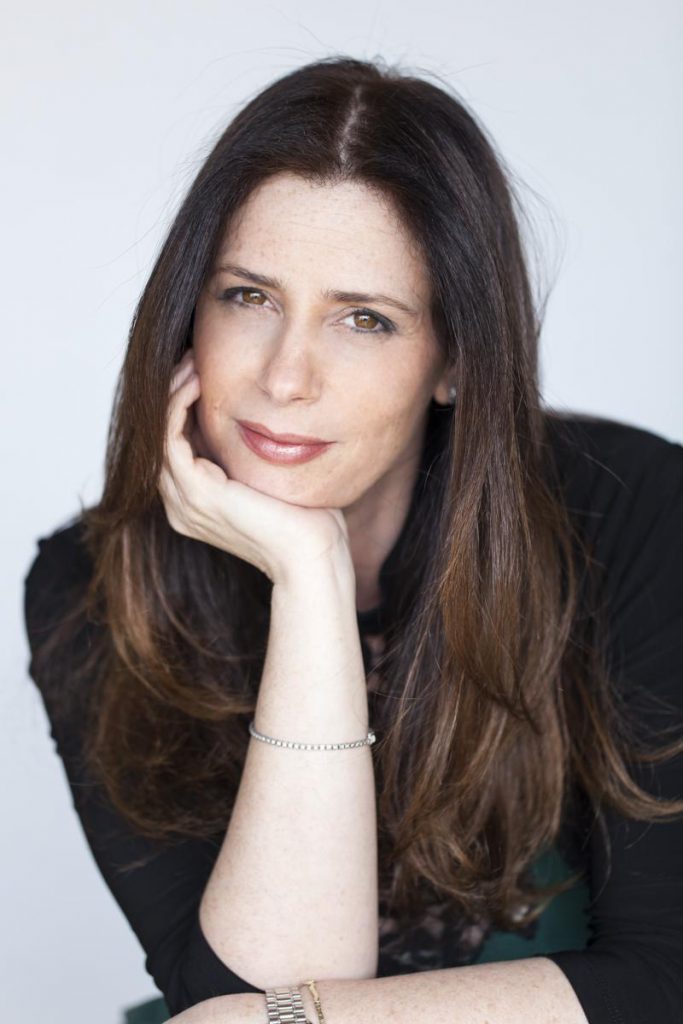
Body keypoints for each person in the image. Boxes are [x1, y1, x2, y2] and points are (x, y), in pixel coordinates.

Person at [23, 55, 683, 1024]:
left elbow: (663, 979)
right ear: (186, 316)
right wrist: (309, 574)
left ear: (454, 361)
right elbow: (246, 992)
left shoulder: (632, 509)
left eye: (364, 319)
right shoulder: (91, 585)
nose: (285, 377)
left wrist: (307, 1019)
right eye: (247, 296)